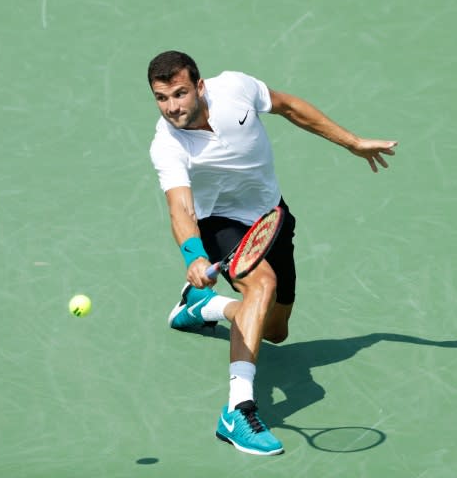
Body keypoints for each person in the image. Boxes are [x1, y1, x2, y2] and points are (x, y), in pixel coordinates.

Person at [147, 50, 397, 456]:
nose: (173, 107)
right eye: (162, 98)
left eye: (179, 93)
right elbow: (181, 207)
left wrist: (351, 142)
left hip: (271, 216)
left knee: (275, 331)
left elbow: (288, 106)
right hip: (219, 223)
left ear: (200, 86)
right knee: (261, 285)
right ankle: (237, 411)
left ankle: (204, 308)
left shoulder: (235, 88)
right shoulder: (167, 145)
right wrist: (194, 254)